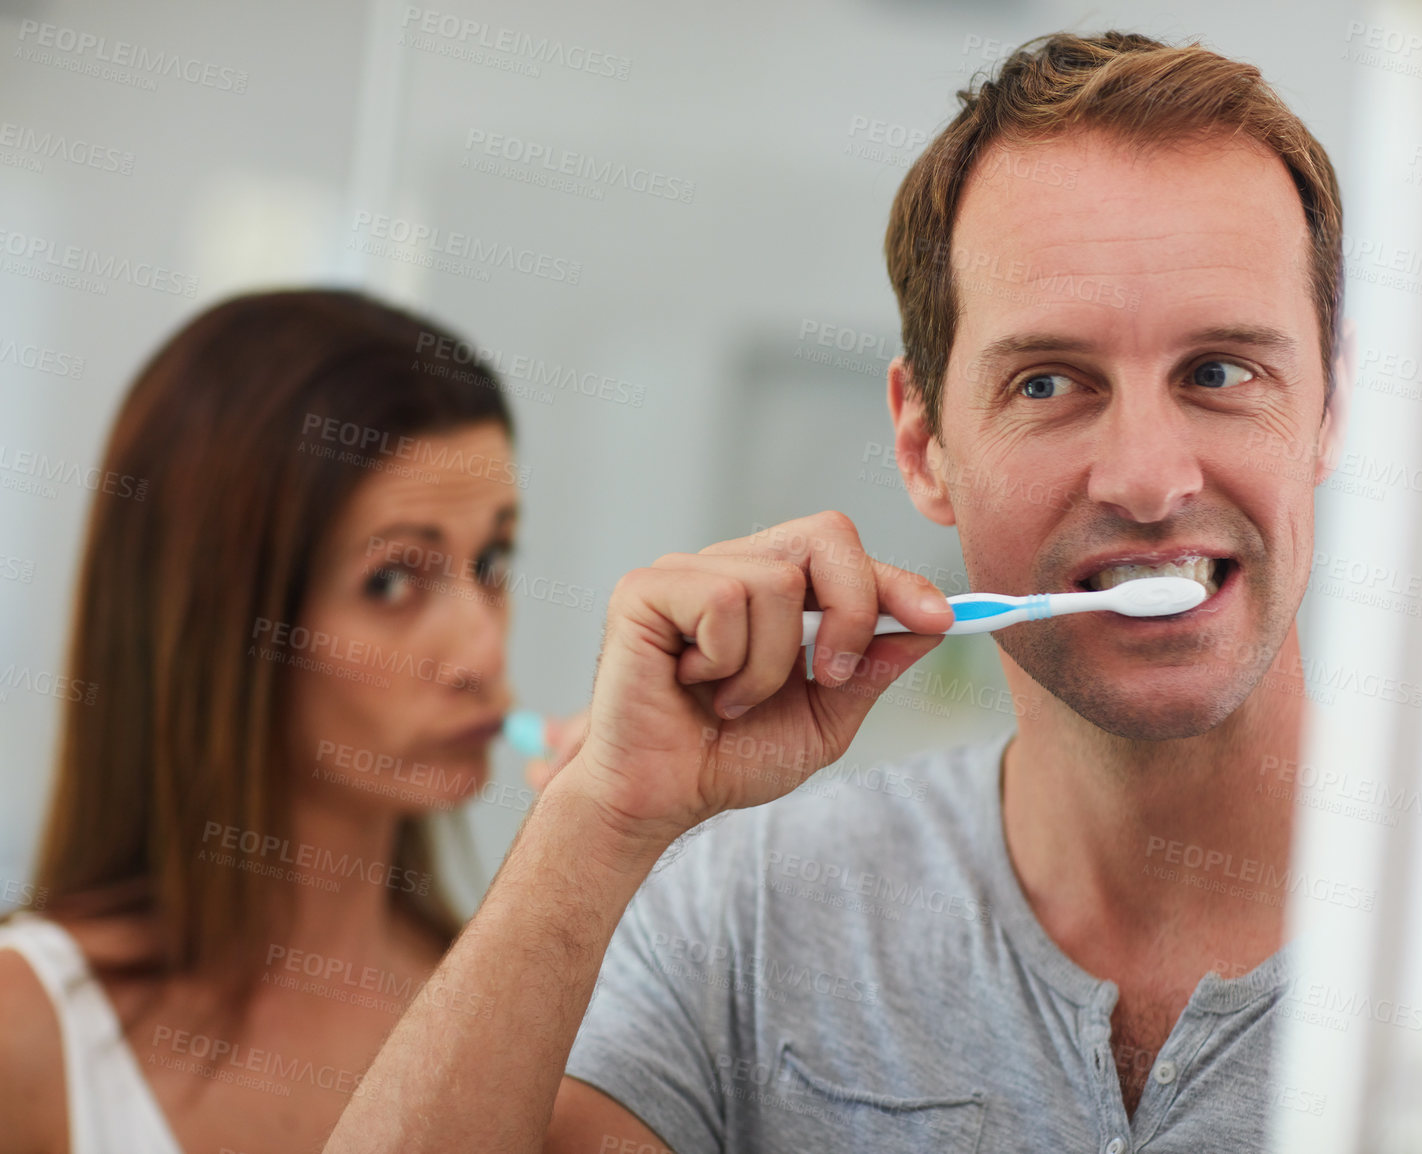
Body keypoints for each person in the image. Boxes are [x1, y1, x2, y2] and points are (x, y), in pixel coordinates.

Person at [326, 30, 1354, 1154]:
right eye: (1049, 382)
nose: (1150, 480)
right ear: (922, 440)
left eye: (1219, 372)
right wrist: (599, 820)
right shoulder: (752, 917)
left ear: (1331, 405)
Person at [0, 290, 533, 1154]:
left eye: (492, 560)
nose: (480, 654)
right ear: (221, 619)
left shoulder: (522, 1024)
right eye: (395, 580)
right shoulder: (28, 1034)